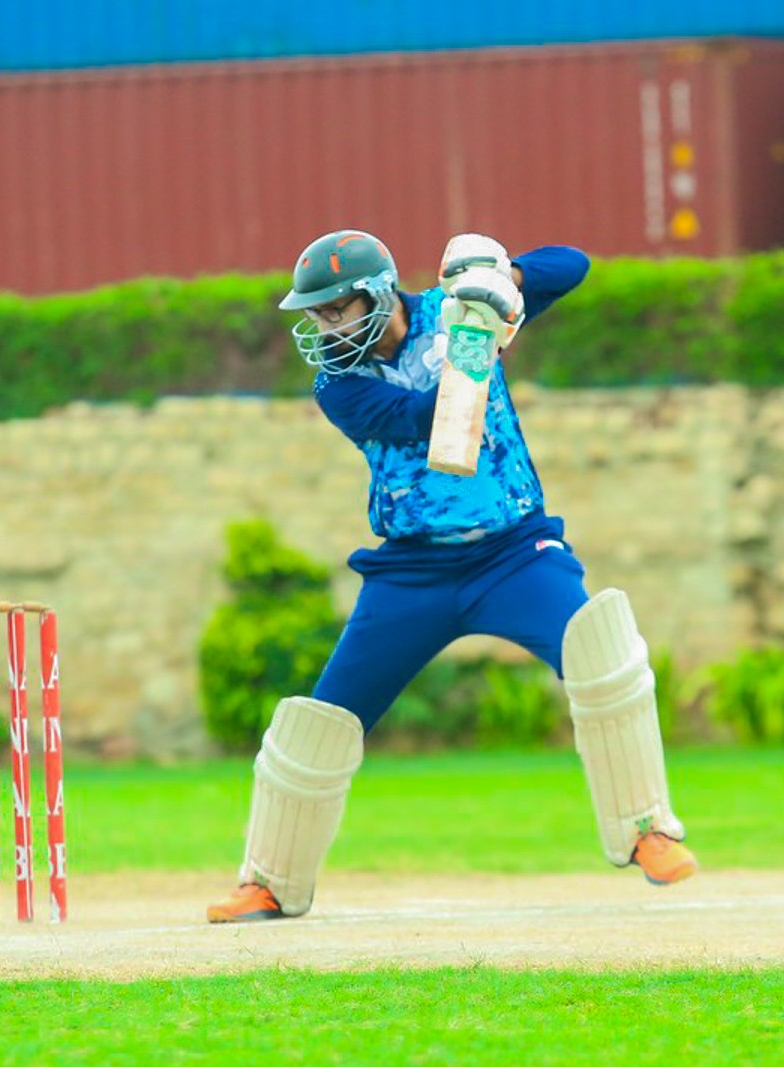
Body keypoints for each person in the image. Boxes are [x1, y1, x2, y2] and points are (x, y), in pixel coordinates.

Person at [208, 231, 695, 922]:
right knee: (320, 722)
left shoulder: (456, 307)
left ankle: (647, 830)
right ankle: (270, 882)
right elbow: (431, 422)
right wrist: (476, 343)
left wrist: (503, 284)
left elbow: (574, 265)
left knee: (603, 654)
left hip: (514, 553)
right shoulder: (339, 386)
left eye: (337, 309)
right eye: (316, 315)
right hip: (412, 572)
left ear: (379, 295)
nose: (326, 327)